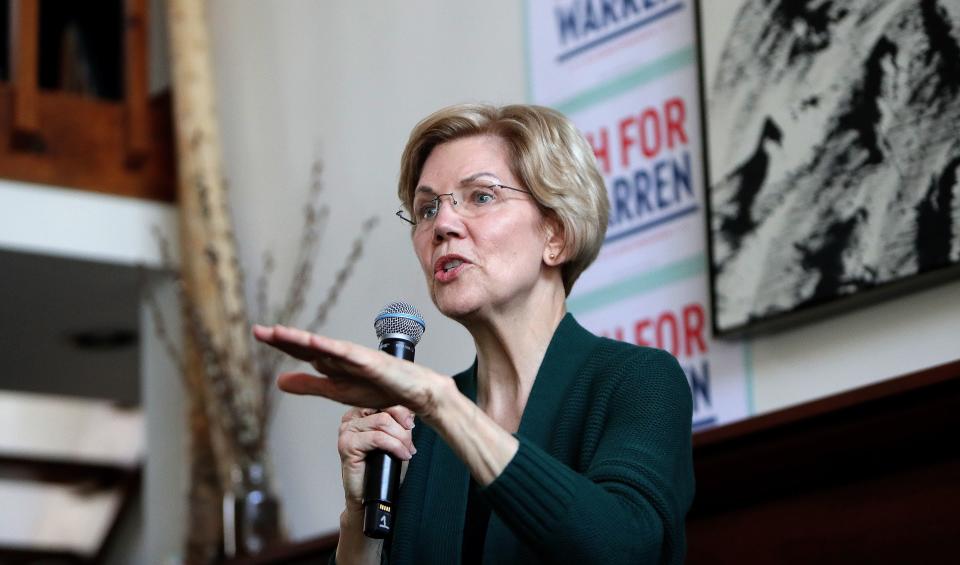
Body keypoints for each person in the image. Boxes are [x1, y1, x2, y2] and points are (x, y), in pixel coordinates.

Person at [253, 104, 695, 564]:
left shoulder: (639, 381)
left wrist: (443, 405)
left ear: (556, 234)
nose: (442, 225)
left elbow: (624, 547)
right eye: (426, 209)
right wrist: (361, 516)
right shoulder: (415, 429)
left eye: (481, 196)